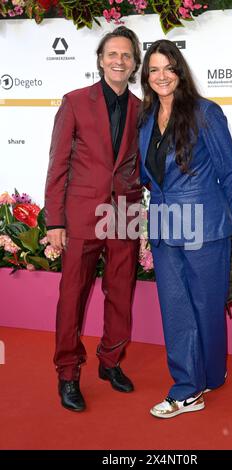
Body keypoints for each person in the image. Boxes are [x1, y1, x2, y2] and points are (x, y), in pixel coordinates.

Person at [138, 40, 232, 419]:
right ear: (146, 77)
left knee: (208, 307)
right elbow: (153, 178)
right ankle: (187, 389)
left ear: (179, 71)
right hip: (165, 227)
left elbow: (230, 171)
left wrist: (221, 222)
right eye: (153, 69)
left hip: (206, 227)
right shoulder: (147, 119)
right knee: (177, 309)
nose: (161, 76)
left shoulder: (205, 113)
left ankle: (212, 372)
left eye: (168, 67)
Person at [45, 26, 142, 412]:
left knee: (120, 295)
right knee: (72, 298)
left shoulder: (141, 108)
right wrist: (55, 222)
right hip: (82, 216)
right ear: (101, 60)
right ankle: (68, 373)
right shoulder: (74, 102)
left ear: (134, 64)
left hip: (125, 214)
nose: (119, 61)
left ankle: (111, 362)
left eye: (127, 56)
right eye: (112, 54)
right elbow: (58, 165)